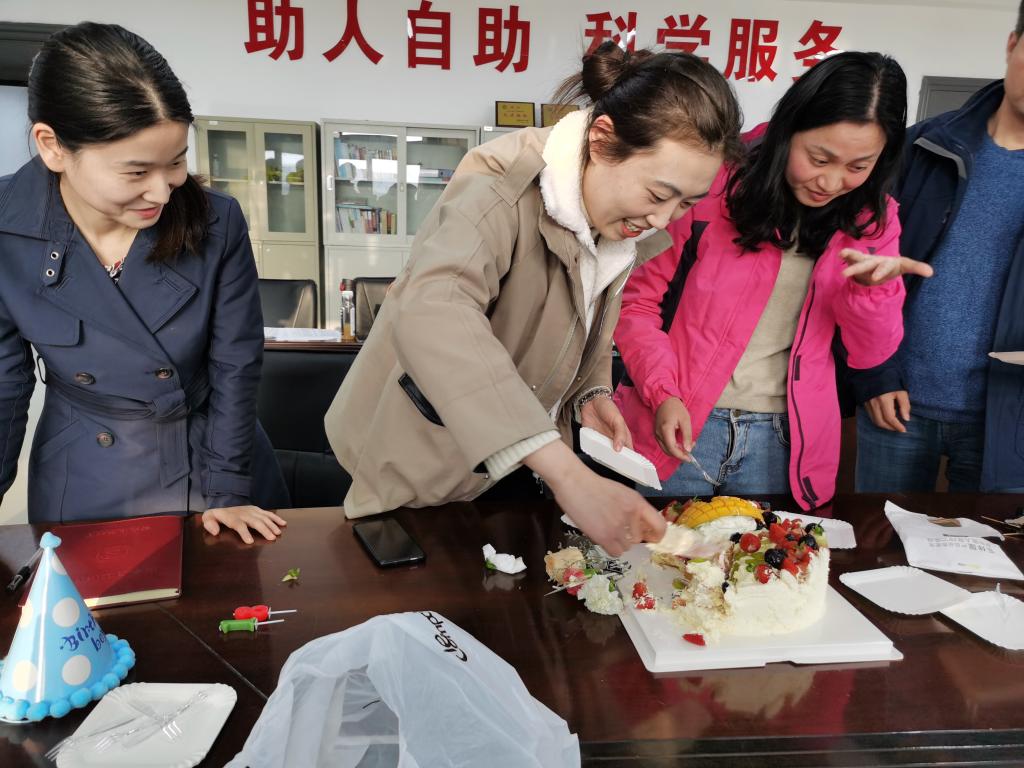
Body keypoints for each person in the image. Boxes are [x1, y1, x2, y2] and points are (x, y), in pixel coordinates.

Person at [325, 42, 744, 555]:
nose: (662, 219)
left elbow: (578, 315)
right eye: (658, 195)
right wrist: (568, 474)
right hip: (417, 455)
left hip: (513, 464)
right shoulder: (498, 185)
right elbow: (435, 311)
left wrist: (590, 392)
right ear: (602, 139)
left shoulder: (615, 216)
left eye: (686, 203)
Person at [0, 22, 289, 542]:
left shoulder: (216, 221)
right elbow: (4, 382)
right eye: (136, 172)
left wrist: (227, 489)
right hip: (86, 468)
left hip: (212, 458)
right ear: (53, 146)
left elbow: (235, 364)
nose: (163, 190)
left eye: (176, 161)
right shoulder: (5, 225)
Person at [613, 51, 931, 511]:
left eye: (858, 166)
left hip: (782, 441)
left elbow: (870, 354)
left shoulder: (872, 222)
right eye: (819, 158)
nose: (831, 182)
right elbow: (637, 304)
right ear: (789, 129)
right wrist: (662, 393)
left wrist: (872, 291)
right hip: (678, 420)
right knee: (658, 552)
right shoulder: (714, 184)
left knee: (768, 555)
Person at [855, 3, 1024, 493]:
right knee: (878, 536)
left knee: (996, 544)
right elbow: (861, 268)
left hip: (1009, 416)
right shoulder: (923, 147)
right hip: (897, 402)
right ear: (1012, 44)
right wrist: (876, 376)